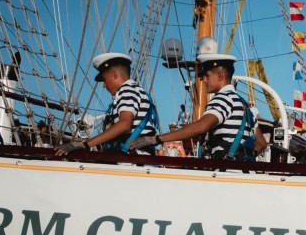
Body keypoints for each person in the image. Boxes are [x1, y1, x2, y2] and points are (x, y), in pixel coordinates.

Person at [130, 52, 267, 160]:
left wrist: (156, 139)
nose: (204, 80)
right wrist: (242, 158)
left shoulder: (222, 99)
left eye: (207, 76)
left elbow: (202, 127)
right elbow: (261, 143)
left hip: (224, 174)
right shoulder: (244, 105)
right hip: (241, 173)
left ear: (220, 75)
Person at [56, 52, 158, 156]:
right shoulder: (138, 91)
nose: (104, 86)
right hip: (140, 157)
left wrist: (85, 145)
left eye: (104, 80)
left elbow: (125, 124)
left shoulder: (126, 90)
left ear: (114, 75)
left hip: (133, 160)